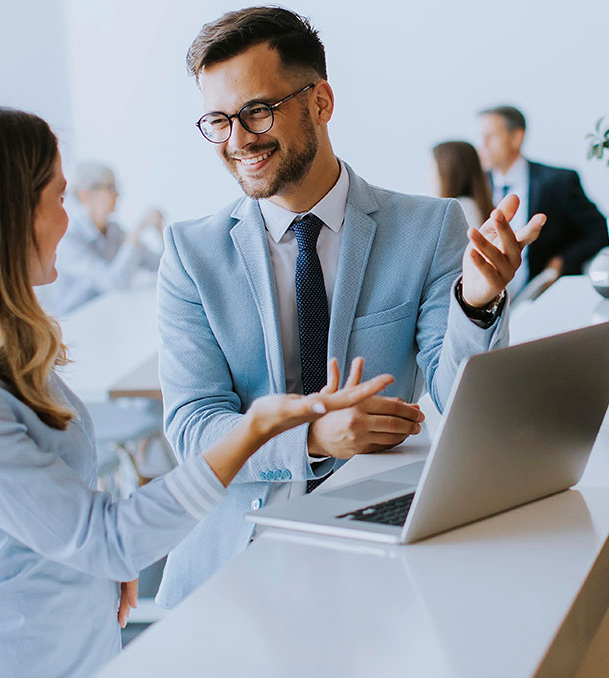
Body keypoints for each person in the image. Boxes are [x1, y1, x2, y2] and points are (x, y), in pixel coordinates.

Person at [0, 102, 394, 677]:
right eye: (59, 199)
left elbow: (64, 515)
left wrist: (103, 559)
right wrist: (257, 425)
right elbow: (104, 537)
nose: (70, 221)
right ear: (2, 215)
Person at [155, 7, 545, 609]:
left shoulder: (428, 227)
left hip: (380, 545)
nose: (237, 140)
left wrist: (476, 302)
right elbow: (191, 427)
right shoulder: (190, 254)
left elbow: (455, 398)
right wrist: (311, 437)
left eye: (257, 111)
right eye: (218, 120)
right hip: (232, 566)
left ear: (321, 102)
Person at [478, 105, 609, 297]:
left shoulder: (558, 182)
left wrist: (562, 262)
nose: (482, 144)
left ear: (516, 137)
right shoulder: (477, 186)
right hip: (489, 302)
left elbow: (600, 231)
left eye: (490, 136)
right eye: (481, 137)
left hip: (542, 298)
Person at [42, 161, 163, 315]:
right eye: (110, 188)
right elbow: (114, 282)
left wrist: (159, 231)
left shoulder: (114, 230)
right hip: (76, 323)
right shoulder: (68, 240)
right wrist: (136, 232)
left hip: (107, 315)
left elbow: (160, 265)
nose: (118, 194)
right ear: (85, 195)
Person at [431, 140, 494, 230]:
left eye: (432, 167)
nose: (428, 175)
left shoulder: (459, 210)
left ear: (448, 172)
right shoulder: (472, 206)